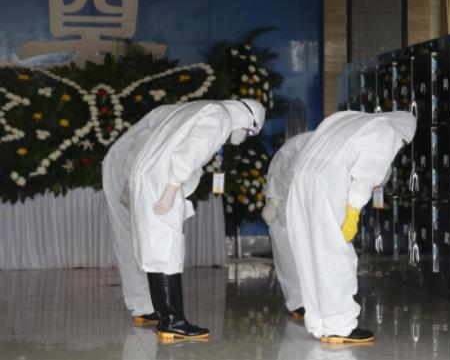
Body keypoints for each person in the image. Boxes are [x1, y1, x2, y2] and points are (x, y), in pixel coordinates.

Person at [103, 99, 265, 341]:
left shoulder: (197, 108)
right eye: (249, 131)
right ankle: (173, 321)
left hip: (149, 178)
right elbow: (191, 151)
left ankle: (163, 315)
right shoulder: (220, 116)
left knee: (156, 250)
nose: (243, 136)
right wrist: (172, 186)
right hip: (162, 182)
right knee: (166, 251)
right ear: (248, 120)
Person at [285, 111, 416, 343]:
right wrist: (354, 209)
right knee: (335, 254)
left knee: (308, 253)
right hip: (328, 182)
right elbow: (367, 174)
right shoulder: (388, 130)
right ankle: (340, 326)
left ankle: (320, 322)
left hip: (301, 179)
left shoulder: (346, 119)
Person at [261, 131, 314, 319]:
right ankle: (298, 302)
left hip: (307, 196)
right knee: (288, 251)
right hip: (284, 197)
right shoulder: (304, 151)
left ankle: (315, 300)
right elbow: (282, 176)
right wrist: (274, 203)